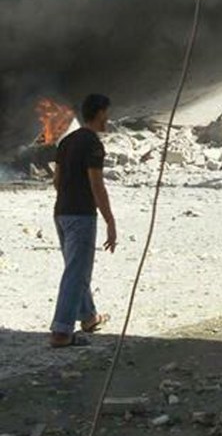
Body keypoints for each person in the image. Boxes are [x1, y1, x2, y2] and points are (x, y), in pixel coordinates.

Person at [50, 94, 117, 348]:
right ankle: (61, 330)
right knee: (76, 272)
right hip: (81, 215)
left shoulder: (66, 141)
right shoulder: (93, 144)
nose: (108, 118)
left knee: (76, 268)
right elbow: (96, 185)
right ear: (99, 113)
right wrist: (110, 221)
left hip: (61, 213)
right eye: (107, 113)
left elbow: (56, 181)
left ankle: (88, 317)